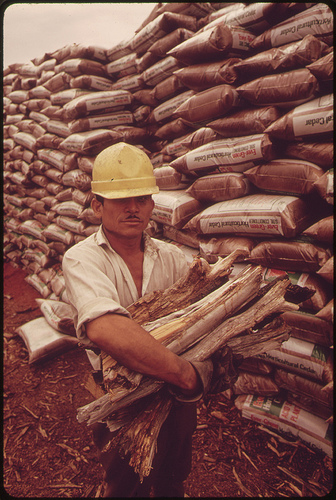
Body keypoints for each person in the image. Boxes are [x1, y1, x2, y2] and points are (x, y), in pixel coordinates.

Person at [62, 142, 214, 497]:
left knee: (174, 474)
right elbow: (104, 327)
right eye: (120, 200)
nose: (133, 208)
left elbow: (205, 307)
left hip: (175, 399)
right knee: (126, 482)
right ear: (97, 204)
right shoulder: (82, 260)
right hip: (122, 395)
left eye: (142, 198)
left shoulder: (173, 257)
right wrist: (185, 375)